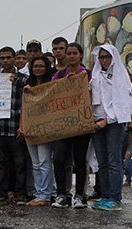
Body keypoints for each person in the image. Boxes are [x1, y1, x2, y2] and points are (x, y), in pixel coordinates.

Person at [90, 44, 132, 211]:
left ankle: (115, 198)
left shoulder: (120, 77)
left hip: (114, 123)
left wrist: (107, 120)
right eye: (101, 57)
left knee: (114, 161)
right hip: (96, 121)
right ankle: (105, 195)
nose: (104, 60)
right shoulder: (96, 75)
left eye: (107, 57)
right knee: (102, 162)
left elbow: (123, 104)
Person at [50, 42, 91, 209]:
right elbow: (50, 94)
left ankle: (80, 195)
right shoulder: (59, 76)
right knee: (59, 159)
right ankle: (61, 194)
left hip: (81, 123)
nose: (72, 56)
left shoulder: (88, 74)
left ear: (80, 55)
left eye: (75, 53)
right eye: (70, 53)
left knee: (80, 160)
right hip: (63, 125)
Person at [0, 46, 29, 205]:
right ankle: (1, 192)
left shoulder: (23, 80)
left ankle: (20, 193)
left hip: (16, 127)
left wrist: (23, 126)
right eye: (2, 58)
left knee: (19, 163)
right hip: (0, 128)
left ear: (14, 59)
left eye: (8, 57)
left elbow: (27, 105)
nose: (5, 60)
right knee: (0, 164)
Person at [20, 56, 56, 206]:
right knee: (35, 163)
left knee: (44, 161)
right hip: (30, 127)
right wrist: (22, 126)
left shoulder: (52, 85)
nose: (38, 69)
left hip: (45, 128)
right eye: (35, 66)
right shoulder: (27, 86)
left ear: (47, 67)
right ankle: (39, 192)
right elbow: (24, 109)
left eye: (41, 66)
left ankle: (45, 195)